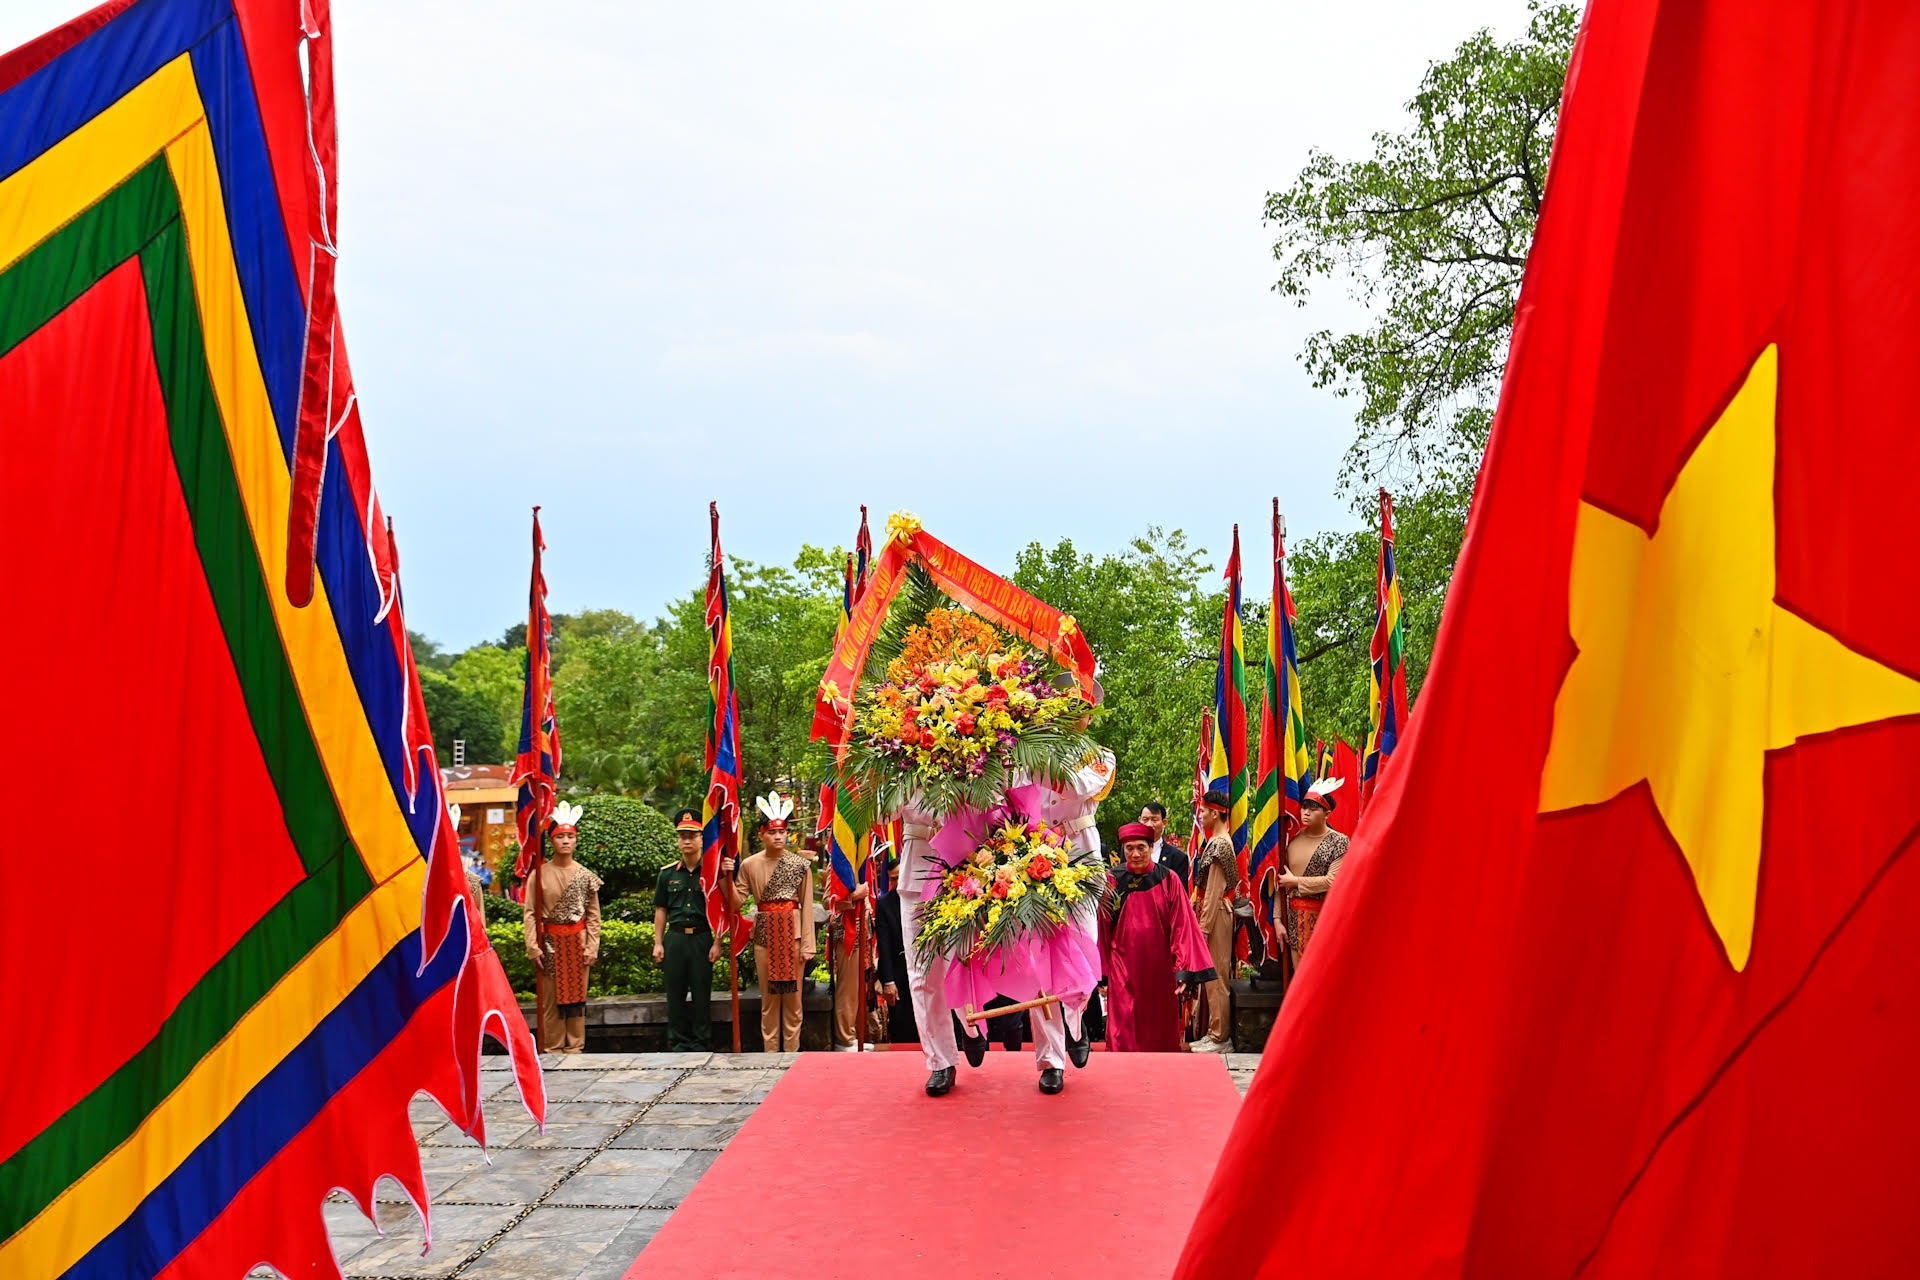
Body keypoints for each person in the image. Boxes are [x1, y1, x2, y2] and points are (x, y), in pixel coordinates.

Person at [1100, 822, 1218, 1050]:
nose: (1135, 854)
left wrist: (1182, 968)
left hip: (1159, 967)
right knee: (1121, 1027)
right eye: (1129, 848)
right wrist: (1102, 973)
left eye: (1141, 848)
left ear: (1151, 847)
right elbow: (1103, 927)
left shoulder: (1169, 879)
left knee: (1158, 1027)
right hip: (1122, 964)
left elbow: (1182, 926)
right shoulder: (1112, 880)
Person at [726, 792, 816, 1053]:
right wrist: (724, 878)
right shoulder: (750, 865)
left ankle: (790, 1053)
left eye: (783, 831)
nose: (778, 837)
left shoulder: (800, 866)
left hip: (794, 936)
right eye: (772, 832)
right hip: (765, 935)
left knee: (793, 999)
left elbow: (808, 906)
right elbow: (736, 902)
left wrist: (809, 945)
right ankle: (770, 1053)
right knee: (769, 999)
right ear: (762, 835)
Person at [522, 801, 602, 1054]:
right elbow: (531, 914)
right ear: (552, 841)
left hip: (577, 942)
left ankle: (576, 1046)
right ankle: (553, 1047)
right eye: (560, 837)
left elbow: (593, 916)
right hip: (550, 942)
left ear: (576, 840)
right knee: (551, 1001)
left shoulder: (586, 876)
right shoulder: (539, 874)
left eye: (570, 836)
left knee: (577, 999)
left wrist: (592, 946)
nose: (565, 841)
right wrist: (533, 947)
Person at [653, 809, 719, 1052]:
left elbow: (720, 909)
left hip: (702, 937)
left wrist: (718, 942)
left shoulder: (712, 873)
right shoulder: (667, 874)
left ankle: (701, 1040)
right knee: (675, 990)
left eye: (692, 835)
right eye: (683, 836)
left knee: (702, 991)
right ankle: (678, 1040)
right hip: (676, 938)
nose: (687, 840)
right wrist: (658, 942)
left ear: (702, 838)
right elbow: (661, 909)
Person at [1279, 778, 1350, 969]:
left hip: (1324, 920)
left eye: (1314, 808)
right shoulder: (1292, 838)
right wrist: (1277, 920)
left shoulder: (1339, 841)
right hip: (1294, 920)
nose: (1306, 812)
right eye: (1304, 807)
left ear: (1327, 813)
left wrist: (1296, 882)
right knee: (1298, 981)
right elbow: (1280, 883)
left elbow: (1333, 881)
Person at [1189, 788, 1237, 1054]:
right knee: (1212, 976)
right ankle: (1214, 1032)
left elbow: (1215, 890)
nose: (1201, 815)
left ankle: (1220, 1037)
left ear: (1216, 814)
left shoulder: (1219, 844)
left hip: (1215, 913)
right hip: (1214, 911)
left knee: (1216, 976)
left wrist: (1203, 928)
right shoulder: (1217, 841)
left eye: (1204, 811)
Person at [872, 859, 916, 1045]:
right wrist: (888, 981)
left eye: (899, 877)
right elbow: (884, 945)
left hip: (923, 972)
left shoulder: (924, 898)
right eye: (892, 879)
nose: (896, 883)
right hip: (898, 977)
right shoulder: (884, 904)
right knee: (901, 1028)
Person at [828, 875, 872, 1051]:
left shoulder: (861, 864)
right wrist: (853, 897)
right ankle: (844, 1038)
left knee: (860, 988)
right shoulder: (839, 865)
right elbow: (828, 902)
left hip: (863, 930)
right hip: (847, 930)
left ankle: (854, 1034)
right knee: (848, 989)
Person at [1138, 801, 1192, 888]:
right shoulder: (1129, 850)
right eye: (1145, 820)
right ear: (1139, 820)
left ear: (1164, 822)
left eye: (1154, 820)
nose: (1149, 824)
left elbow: (1180, 893)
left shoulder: (1178, 857)